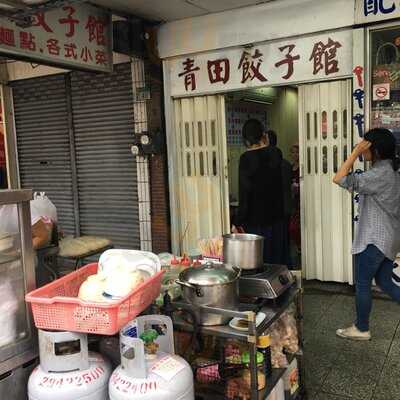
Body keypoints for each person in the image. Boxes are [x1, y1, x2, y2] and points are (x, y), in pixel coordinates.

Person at [333, 128, 400, 341]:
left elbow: (339, 178)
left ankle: (362, 329)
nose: (362, 150)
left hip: (375, 239)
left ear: (375, 149)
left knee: (362, 284)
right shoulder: (392, 170)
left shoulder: (378, 174)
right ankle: (361, 326)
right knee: (385, 282)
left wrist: (354, 153)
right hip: (388, 238)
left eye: (365, 146)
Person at [234, 119, 286, 264]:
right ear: (263, 135)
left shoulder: (245, 159)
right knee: (277, 260)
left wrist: (237, 221)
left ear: (245, 139)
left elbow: (244, 195)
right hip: (276, 220)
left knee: (259, 262)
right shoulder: (276, 153)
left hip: (256, 223)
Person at [267, 130, 293, 266]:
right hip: (286, 207)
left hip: (274, 209)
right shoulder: (286, 164)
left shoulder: (266, 163)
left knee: (273, 242)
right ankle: (287, 265)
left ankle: (276, 268)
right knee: (285, 240)